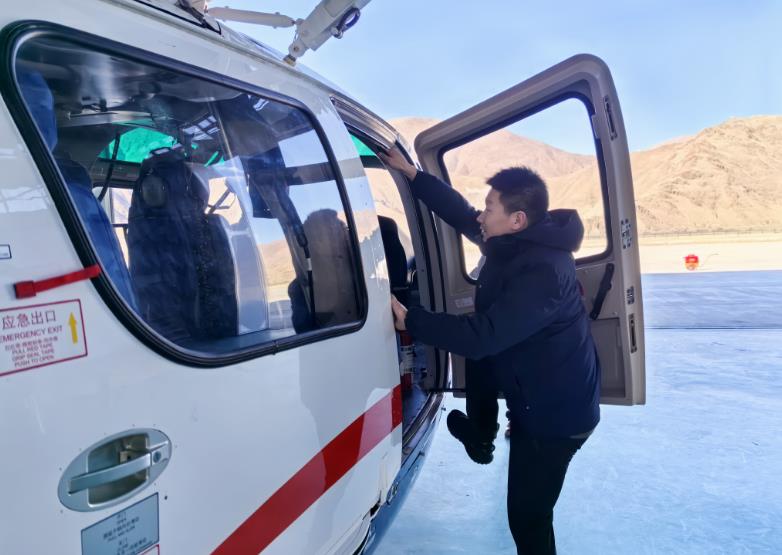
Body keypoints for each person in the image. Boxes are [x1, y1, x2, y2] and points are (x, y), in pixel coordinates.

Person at [379, 148, 600, 555]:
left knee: (528, 517)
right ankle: (482, 436)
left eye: (490, 208)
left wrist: (413, 321)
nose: (481, 216)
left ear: (516, 219)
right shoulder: (513, 240)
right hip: (538, 393)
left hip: (556, 418)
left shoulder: (544, 270)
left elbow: (484, 336)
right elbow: (462, 214)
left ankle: (483, 437)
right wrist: (412, 174)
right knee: (481, 352)